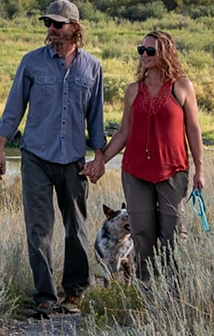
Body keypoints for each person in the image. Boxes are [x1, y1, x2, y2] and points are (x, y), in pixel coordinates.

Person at [0, 0, 106, 316]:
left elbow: (96, 118)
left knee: (76, 227)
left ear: (75, 28)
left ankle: (74, 294)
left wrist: (99, 158)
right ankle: (44, 295)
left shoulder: (91, 67)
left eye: (58, 24)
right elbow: (14, 108)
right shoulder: (31, 63)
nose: (52, 30)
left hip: (73, 160)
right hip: (36, 157)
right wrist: (0, 148)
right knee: (39, 228)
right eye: (48, 24)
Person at [87, 29, 204, 281]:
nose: (144, 55)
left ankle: (173, 292)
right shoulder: (133, 91)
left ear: (165, 53)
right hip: (136, 173)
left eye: (150, 51)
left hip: (173, 171)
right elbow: (124, 131)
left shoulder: (182, 87)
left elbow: (193, 130)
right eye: (141, 50)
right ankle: (146, 291)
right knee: (142, 235)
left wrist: (200, 169)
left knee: (173, 233)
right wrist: (100, 161)